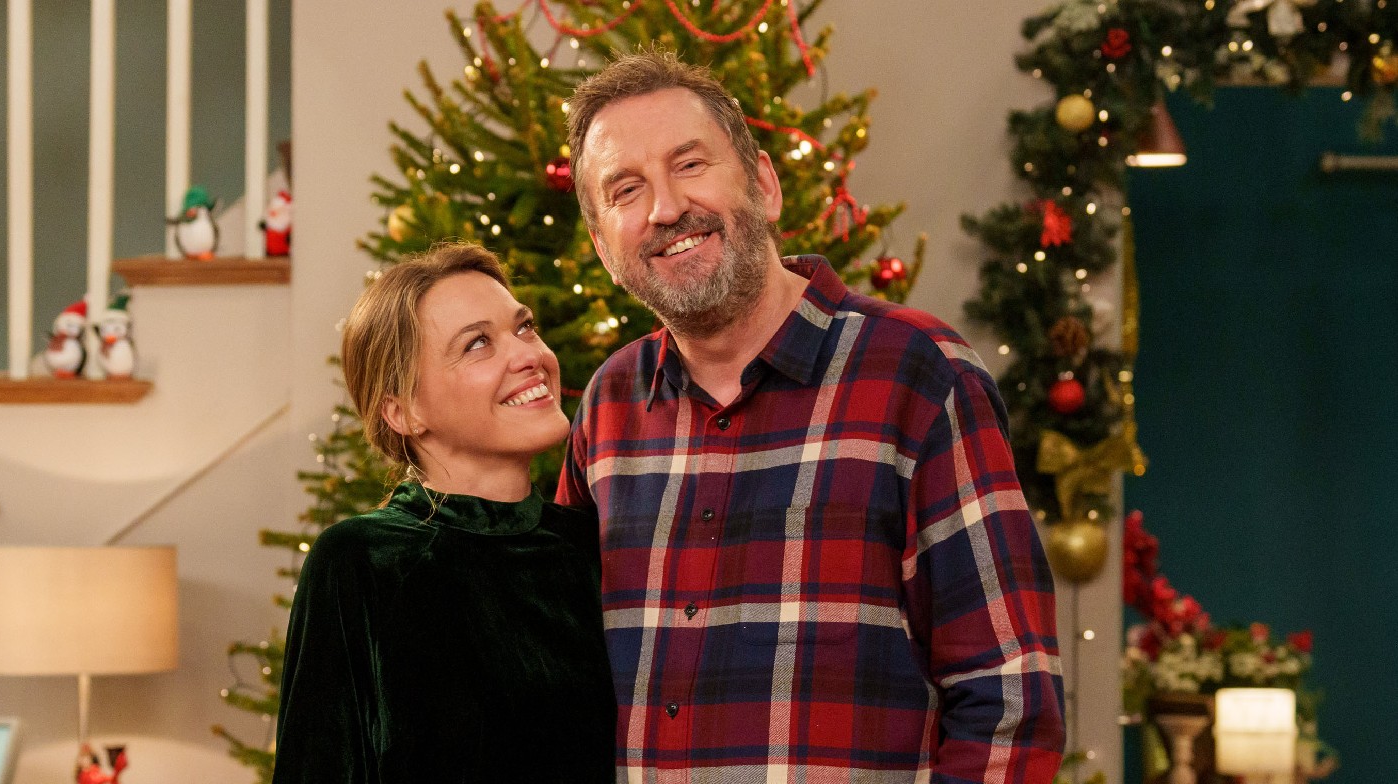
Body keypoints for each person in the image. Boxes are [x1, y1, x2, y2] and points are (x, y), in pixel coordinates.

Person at [557, 51, 1067, 781]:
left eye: (690, 164)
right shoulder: (608, 408)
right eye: (626, 189)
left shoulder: (919, 376)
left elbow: (1011, 700)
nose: (665, 208)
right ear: (605, 248)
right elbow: (560, 680)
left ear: (763, 185)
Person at [272, 243, 615, 783]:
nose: (530, 355)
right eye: (478, 344)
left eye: (523, 328)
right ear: (404, 412)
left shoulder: (592, 548)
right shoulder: (364, 562)